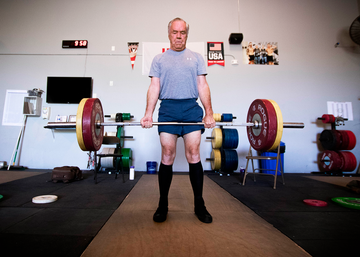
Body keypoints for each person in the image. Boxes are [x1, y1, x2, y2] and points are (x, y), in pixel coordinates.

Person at [140, 17, 216, 224]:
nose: (179, 36)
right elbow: (154, 87)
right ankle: (162, 204)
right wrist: (148, 113)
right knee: (167, 154)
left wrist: (208, 112)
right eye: (175, 32)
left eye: (182, 32)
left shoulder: (197, 57)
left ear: (187, 35)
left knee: (193, 154)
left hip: (191, 109)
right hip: (168, 110)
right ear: (169, 33)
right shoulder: (159, 59)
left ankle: (199, 204)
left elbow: (203, 86)